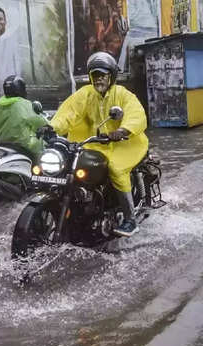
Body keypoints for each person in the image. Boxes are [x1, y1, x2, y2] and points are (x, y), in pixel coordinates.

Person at [49, 52, 148, 237]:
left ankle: (130, 220)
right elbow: (68, 113)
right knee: (70, 165)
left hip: (126, 142)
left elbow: (136, 114)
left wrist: (123, 130)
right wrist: (50, 127)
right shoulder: (86, 94)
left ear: (111, 76)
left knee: (116, 169)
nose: (98, 79)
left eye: (102, 75)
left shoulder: (122, 94)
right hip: (96, 142)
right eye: (95, 75)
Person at [0, 76, 46, 160]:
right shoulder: (23, 104)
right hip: (23, 145)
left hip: (2, 145)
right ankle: (42, 171)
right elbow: (39, 121)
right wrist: (48, 123)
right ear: (21, 89)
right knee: (45, 146)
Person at [0, 7, 21, 95]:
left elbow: (17, 63)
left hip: (11, 84)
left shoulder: (12, 38)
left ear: (5, 21)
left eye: (1, 19)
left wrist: (17, 82)